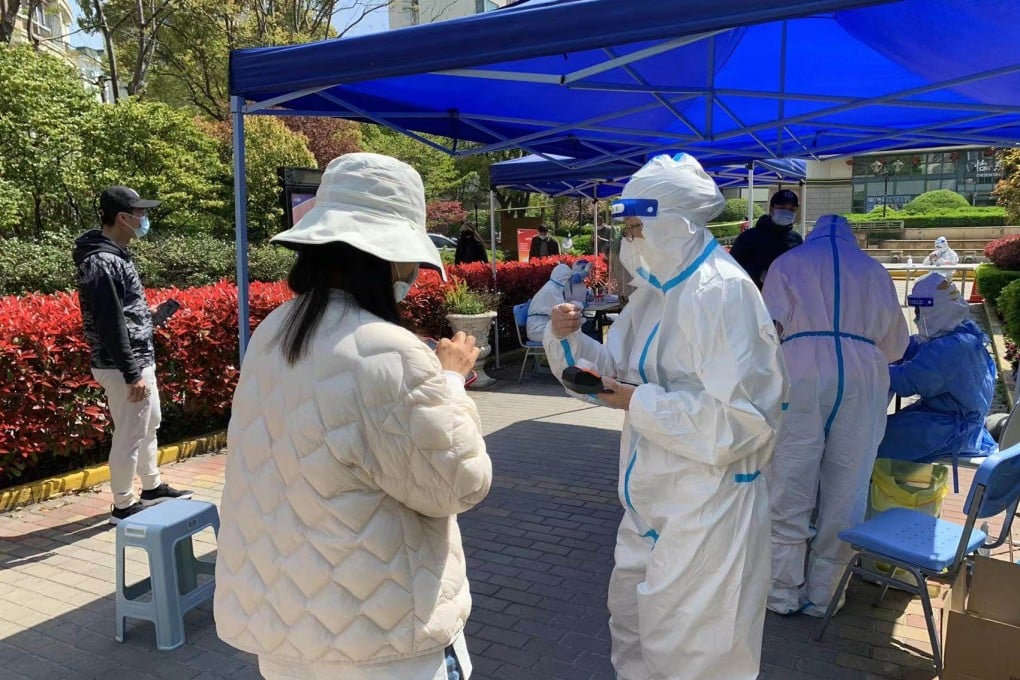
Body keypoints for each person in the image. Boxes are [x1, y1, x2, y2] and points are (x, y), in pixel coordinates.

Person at [214, 153, 492, 680]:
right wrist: (451, 379)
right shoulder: (390, 350)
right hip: (383, 641)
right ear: (387, 257)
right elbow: (459, 482)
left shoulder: (275, 330)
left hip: (290, 627)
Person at [545, 153, 787, 680]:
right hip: (650, 499)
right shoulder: (657, 294)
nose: (631, 241)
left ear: (673, 222)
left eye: (637, 228)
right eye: (627, 229)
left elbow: (744, 424)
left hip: (707, 505)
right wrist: (568, 340)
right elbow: (615, 372)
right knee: (632, 630)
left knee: (692, 655)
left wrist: (638, 401)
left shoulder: (719, 293)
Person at [761, 214, 909, 618]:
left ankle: (781, 591)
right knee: (848, 484)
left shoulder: (788, 263)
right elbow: (896, 345)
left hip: (800, 370)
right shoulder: (875, 270)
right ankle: (825, 595)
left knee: (790, 478)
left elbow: (766, 331)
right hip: (863, 373)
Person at [73, 186, 193, 525]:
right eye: (140, 213)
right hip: (124, 367)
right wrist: (131, 373)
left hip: (139, 359)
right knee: (129, 434)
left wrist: (146, 315)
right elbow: (109, 323)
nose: (144, 219)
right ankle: (123, 505)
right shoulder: (101, 261)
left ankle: (151, 486)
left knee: (148, 423)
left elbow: (121, 312)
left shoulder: (116, 254)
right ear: (123, 218)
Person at [878, 273, 997, 464]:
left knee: (870, 440)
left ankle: (872, 489)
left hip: (948, 431)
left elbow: (905, 382)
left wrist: (871, 365)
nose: (917, 318)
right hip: (949, 418)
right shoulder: (963, 332)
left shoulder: (948, 349)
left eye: (919, 311)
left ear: (934, 311)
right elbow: (913, 347)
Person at [729, 188, 804, 288]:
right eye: (782, 208)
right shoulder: (749, 237)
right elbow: (731, 264)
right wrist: (759, 274)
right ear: (771, 208)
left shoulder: (796, 239)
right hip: (755, 295)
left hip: (786, 297)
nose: (787, 212)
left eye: (791, 210)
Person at [527, 263, 571, 342]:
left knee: (570, 332)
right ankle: (566, 354)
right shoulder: (552, 291)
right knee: (570, 334)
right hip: (537, 330)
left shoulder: (551, 287)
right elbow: (565, 311)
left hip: (540, 326)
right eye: (568, 280)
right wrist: (578, 305)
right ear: (564, 279)